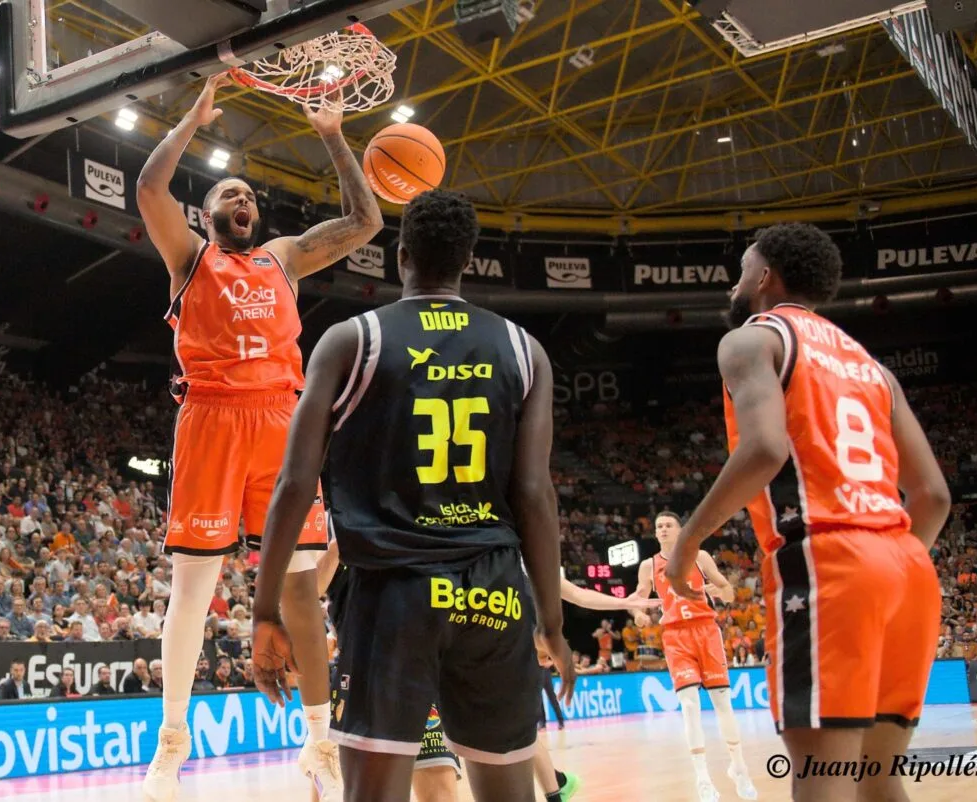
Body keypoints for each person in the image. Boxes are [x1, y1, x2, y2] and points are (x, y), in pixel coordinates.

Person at [249, 189, 575, 802]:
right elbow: (535, 495)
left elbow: (294, 484)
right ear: (468, 260)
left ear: (401, 257)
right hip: (494, 588)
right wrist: (551, 623)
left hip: (391, 592)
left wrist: (266, 608)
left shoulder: (350, 341)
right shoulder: (523, 349)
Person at [136, 73, 382, 802]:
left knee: (304, 590)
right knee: (194, 590)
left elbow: (364, 223)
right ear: (206, 214)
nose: (241, 199)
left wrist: (336, 138)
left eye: (248, 194)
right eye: (226, 194)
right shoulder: (188, 259)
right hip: (210, 419)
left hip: (280, 419)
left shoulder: (281, 259)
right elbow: (151, 187)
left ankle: (319, 744)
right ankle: (171, 745)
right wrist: (193, 119)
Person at [665, 223, 949, 802]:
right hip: (909, 566)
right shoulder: (872, 366)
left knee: (824, 782)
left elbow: (766, 449)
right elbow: (934, 496)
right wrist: (888, 562)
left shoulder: (754, 339)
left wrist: (688, 540)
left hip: (829, 561)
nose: (733, 285)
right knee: (878, 780)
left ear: (765, 276)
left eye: (742, 270)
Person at [313, 539, 657, 802]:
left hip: (445, 669)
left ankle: (555, 789)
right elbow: (309, 589)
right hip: (369, 681)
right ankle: (556, 786)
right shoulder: (351, 533)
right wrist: (341, 540)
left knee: (446, 786)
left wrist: (624, 603)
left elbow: (575, 594)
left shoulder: (493, 550)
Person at [631, 511, 756, 801]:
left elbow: (728, 594)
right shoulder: (648, 566)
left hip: (706, 631)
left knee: (722, 701)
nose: (662, 529)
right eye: (659, 526)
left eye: (668, 525)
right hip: (675, 636)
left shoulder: (699, 556)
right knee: (688, 705)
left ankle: (738, 766)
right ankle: (702, 777)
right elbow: (638, 598)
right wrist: (638, 614)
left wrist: (721, 589)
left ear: (680, 530)